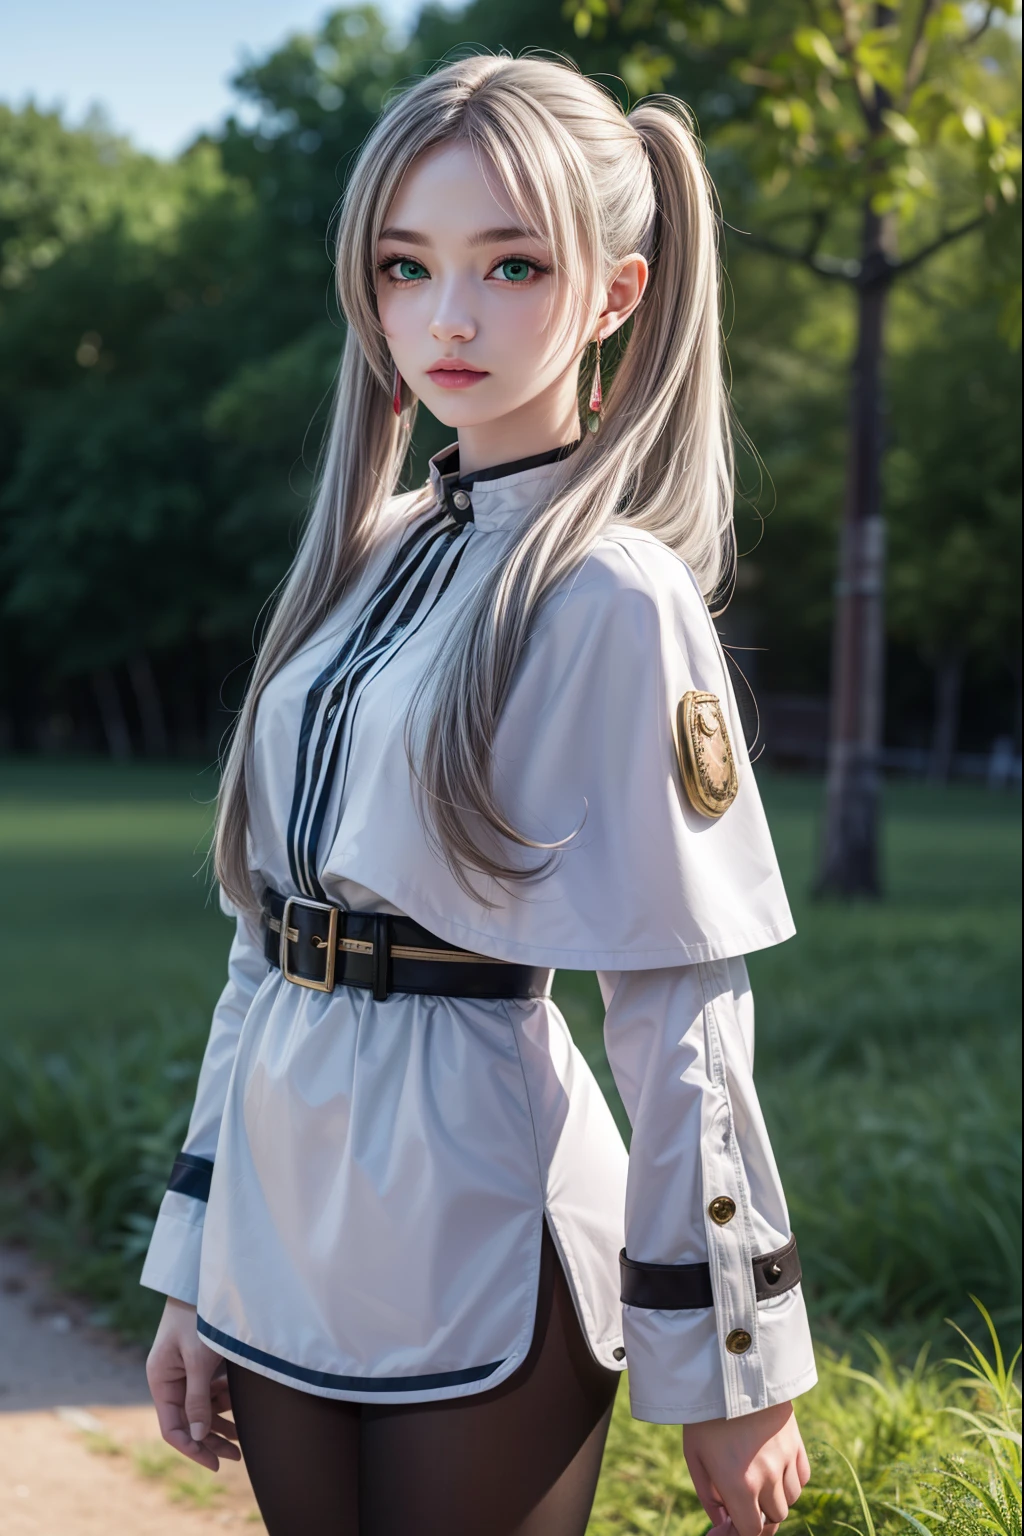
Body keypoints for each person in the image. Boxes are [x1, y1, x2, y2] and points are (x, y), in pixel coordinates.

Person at [141, 53, 816, 1536]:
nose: (448, 317)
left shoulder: (612, 594)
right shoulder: (362, 556)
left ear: (618, 293)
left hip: (480, 1215)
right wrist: (191, 1260)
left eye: (512, 264)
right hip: (281, 1220)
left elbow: (680, 1000)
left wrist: (737, 1364)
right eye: (407, 264)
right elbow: (269, 945)